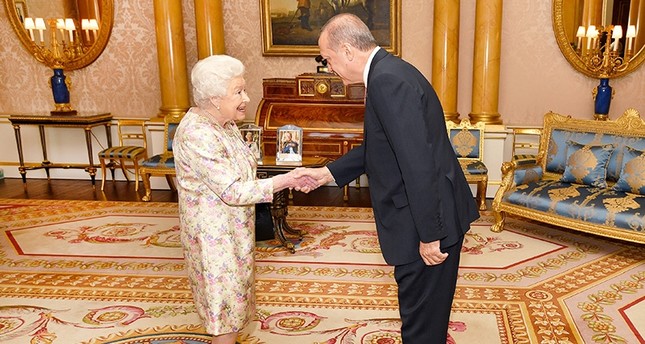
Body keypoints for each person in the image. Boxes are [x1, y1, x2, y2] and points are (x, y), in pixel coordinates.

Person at [299, 13, 480, 343]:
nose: (329, 68)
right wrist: (326, 173)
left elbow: (418, 164)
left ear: (348, 51)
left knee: (421, 326)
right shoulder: (389, 71)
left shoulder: (386, 81)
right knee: (426, 319)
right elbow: (381, 149)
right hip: (429, 213)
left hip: (423, 222)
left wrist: (429, 234)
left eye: (328, 59)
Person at [172, 55, 316, 344]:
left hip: (233, 231)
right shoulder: (198, 133)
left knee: (234, 304)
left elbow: (245, 171)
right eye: (237, 92)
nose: (246, 98)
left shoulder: (224, 125)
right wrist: (286, 179)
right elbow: (233, 190)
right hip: (214, 236)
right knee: (223, 309)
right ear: (214, 98)